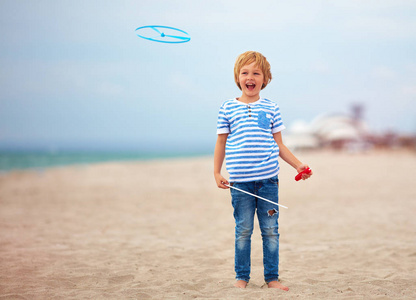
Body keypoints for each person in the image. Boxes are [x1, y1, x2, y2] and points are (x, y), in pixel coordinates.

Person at [213, 51, 312, 290]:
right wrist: (216, 172)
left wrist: (298, 165)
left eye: (256, 73)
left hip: (268, 182)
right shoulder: (227, 108)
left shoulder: (271, 108)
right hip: (240, 184)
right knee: (243, 231)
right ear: (238, 77)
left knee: (270, 231)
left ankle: (272, 279)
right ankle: (242, 277)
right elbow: (221, 143)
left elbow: (279, 145)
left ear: (264, 79)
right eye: (245, 72)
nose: (250, 77)